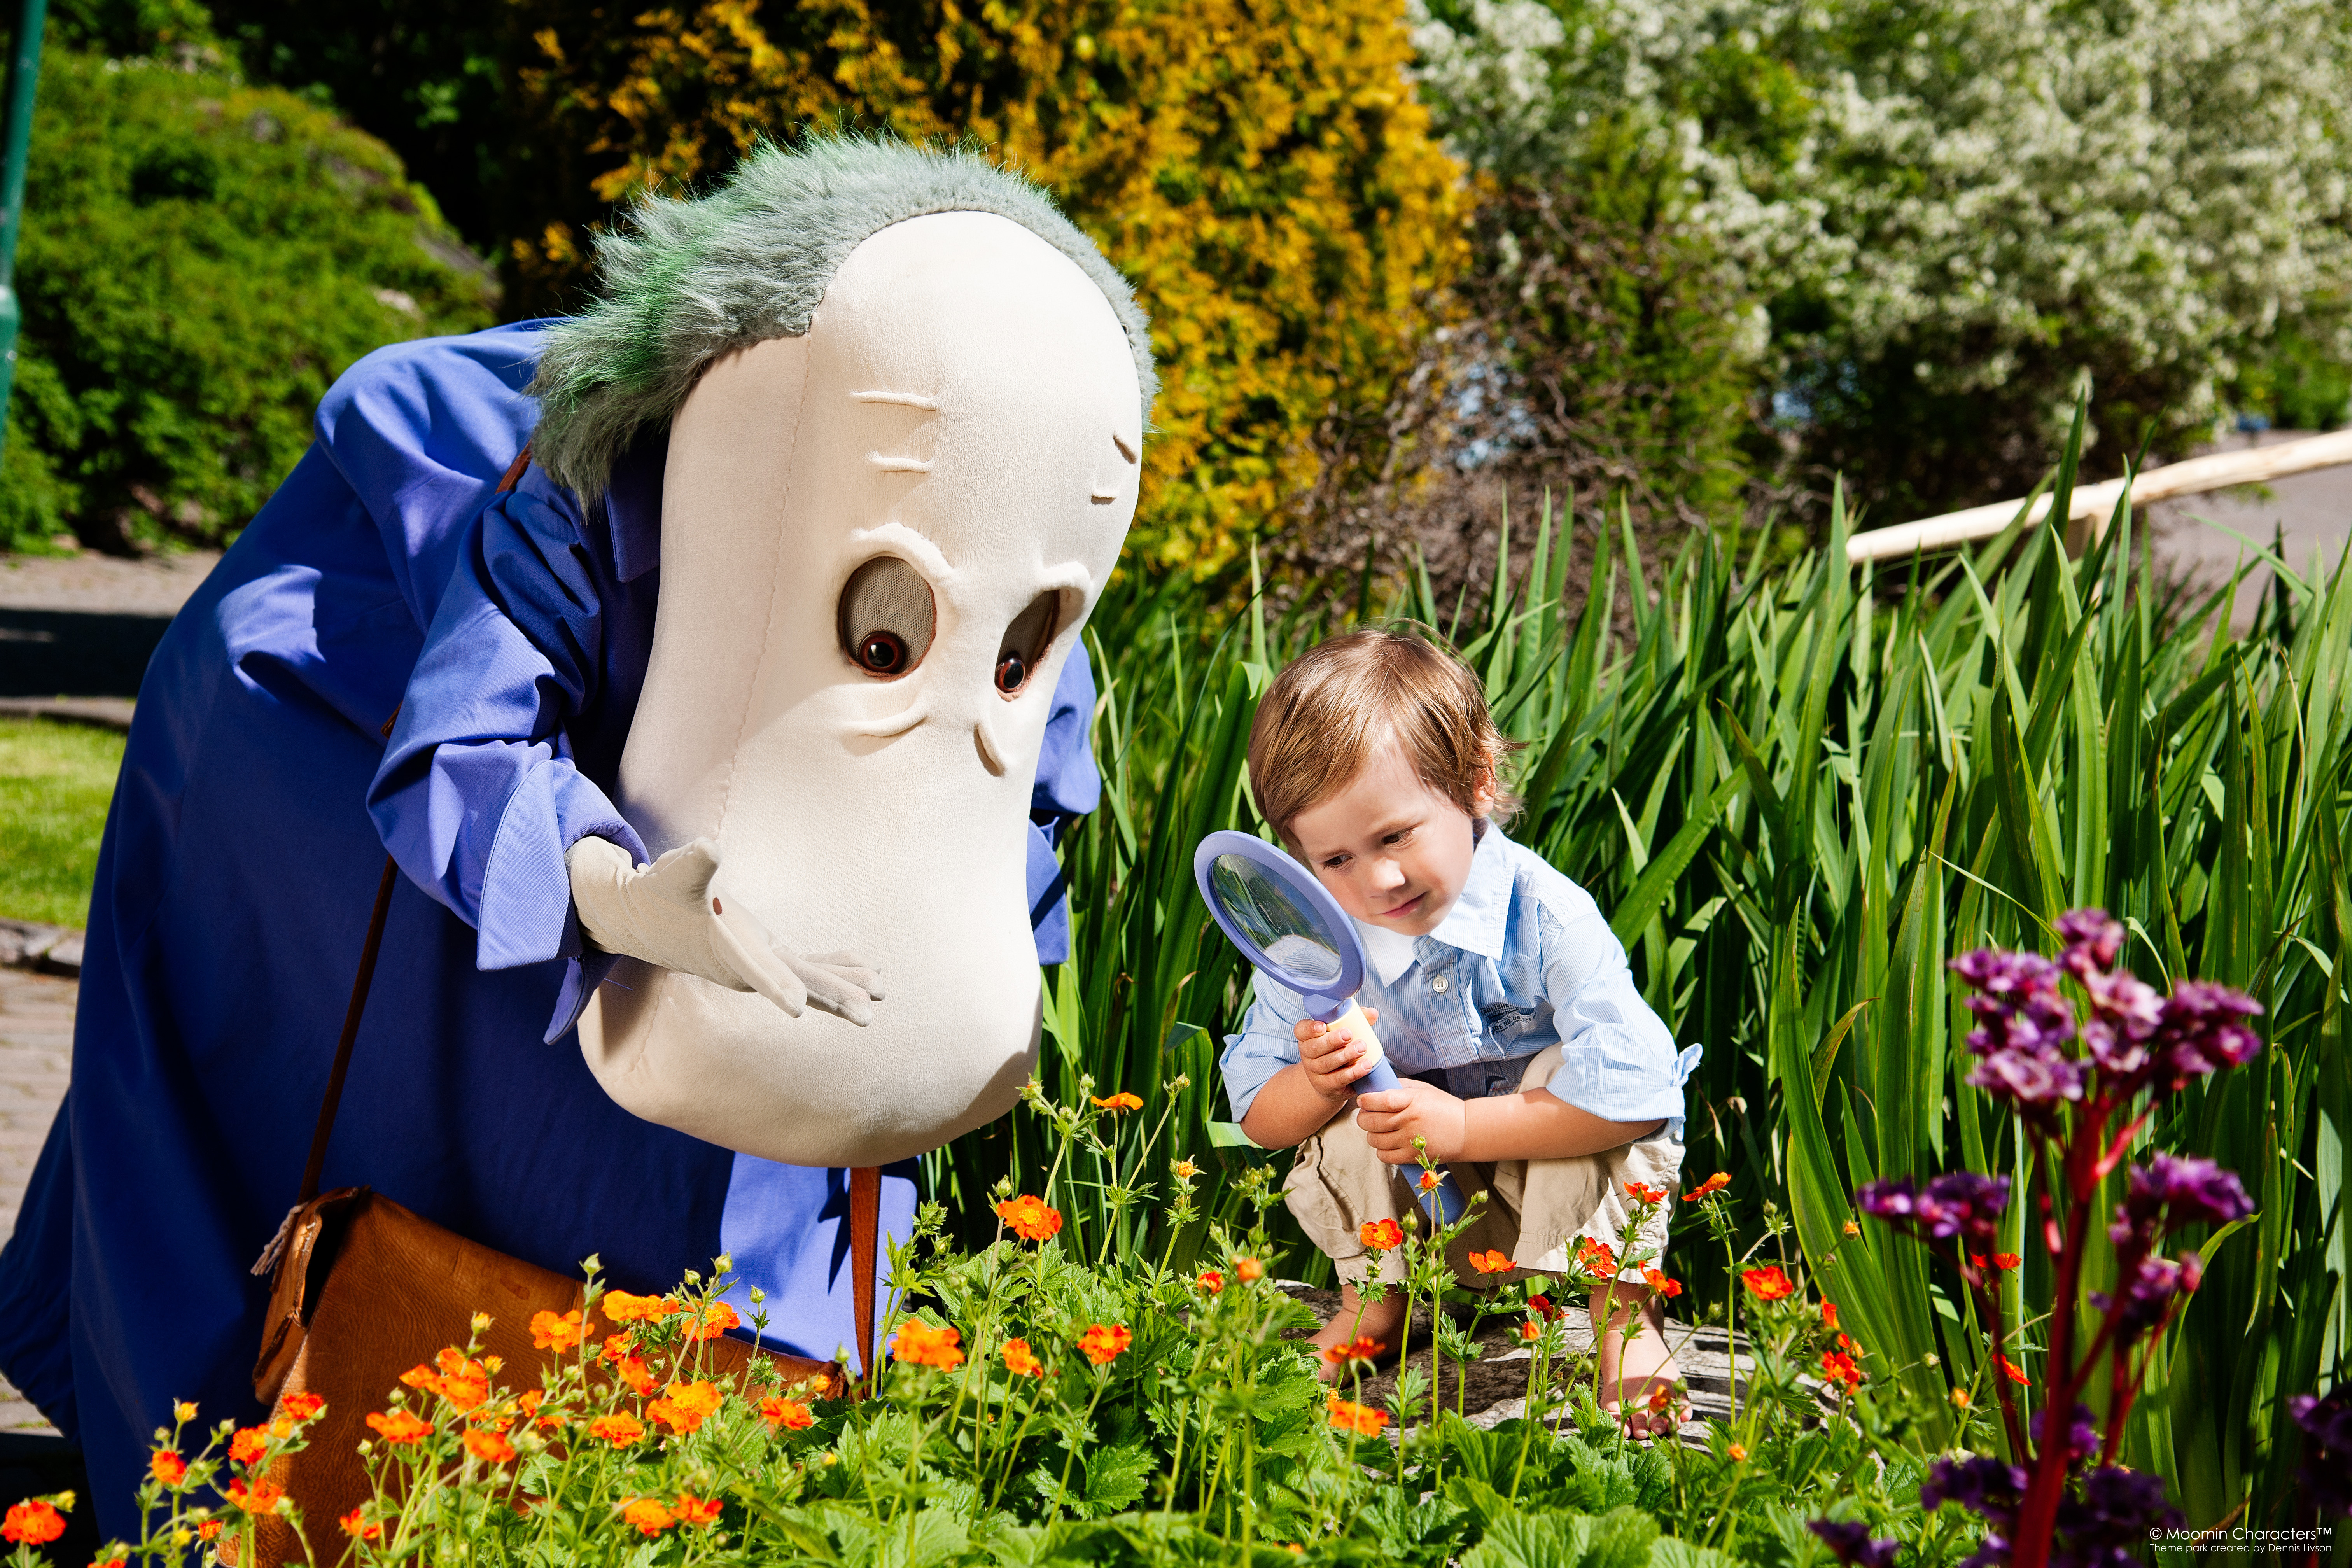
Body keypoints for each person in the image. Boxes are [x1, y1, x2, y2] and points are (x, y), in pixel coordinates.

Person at [1219, 630, 1702, 1433]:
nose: (1377, 880)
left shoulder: (1548, 917)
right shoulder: (1312, 950)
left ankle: (1623, 1322)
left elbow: (1639, 1095)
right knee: (1341, 1101)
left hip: (1549, 1183)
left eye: (1395, 836)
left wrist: (1463, 1124)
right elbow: (1259, 1120)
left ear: (1475, 784)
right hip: (1422, 1206)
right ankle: (1378, 1306)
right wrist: (1316, 1082)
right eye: (1334, 859)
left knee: (1570, 1069)